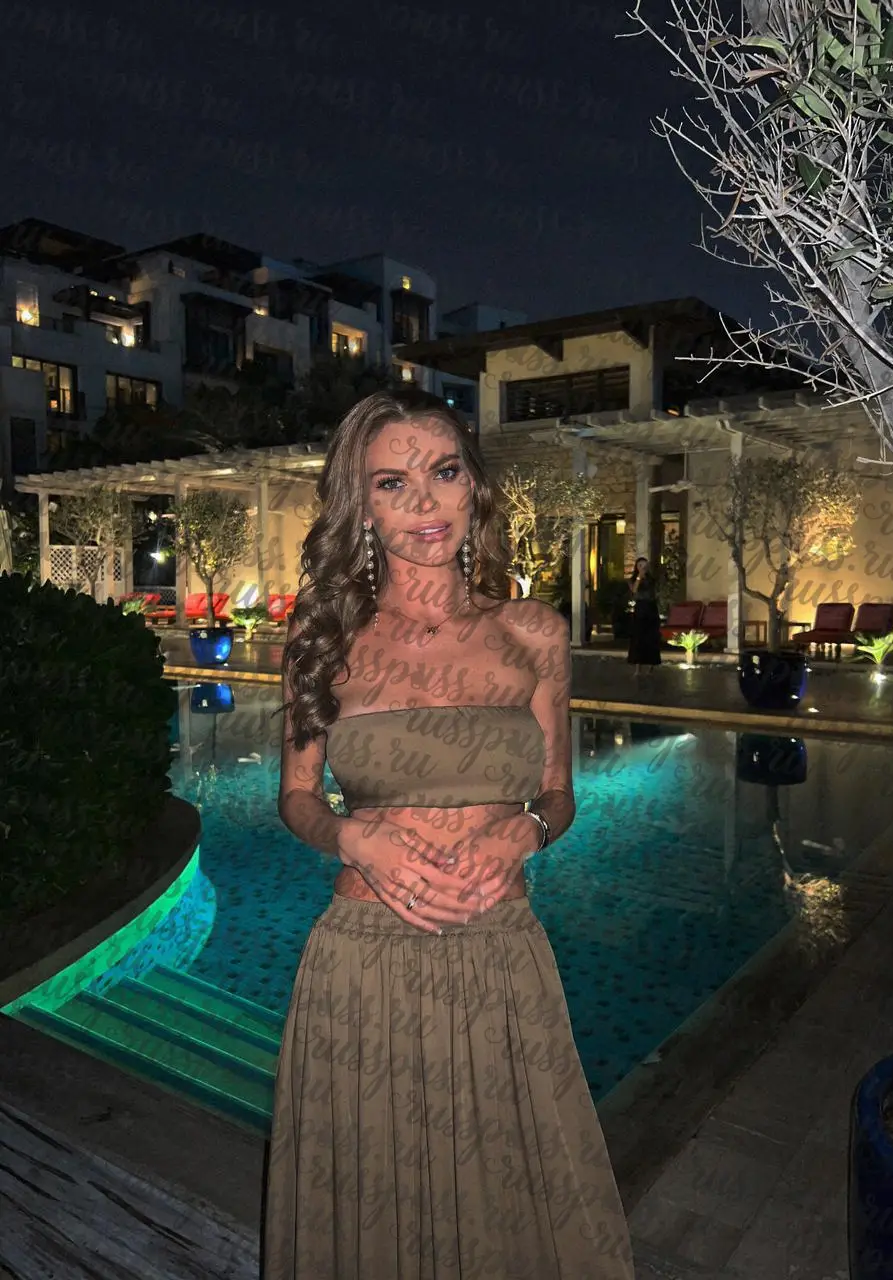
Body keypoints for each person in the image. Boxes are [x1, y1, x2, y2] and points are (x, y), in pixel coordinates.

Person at [263, 389, 635, 1279]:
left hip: (500, 948)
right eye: (392, 483)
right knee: (376, 1199)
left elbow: (559, 793)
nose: (425, 502)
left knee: (519, 1200)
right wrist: (354, 840)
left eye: (444, 472)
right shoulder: (323, 638)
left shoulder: (533, 633)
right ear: (361, 506)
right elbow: (297, 798)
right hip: (364, 955)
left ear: (475, 487)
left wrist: (526, 835)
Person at [627, 555, 661, 675]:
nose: (642, 567)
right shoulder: (632, 579)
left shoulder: (652, 580)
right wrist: (639, 578)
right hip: (640, 608)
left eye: (644, 565)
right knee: (638, 637)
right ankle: (637, 668)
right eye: (640, 565)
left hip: (651, 608)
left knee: (651, 637)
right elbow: (634, 590)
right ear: (636, 567)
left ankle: (651, 666)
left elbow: (655, 592)